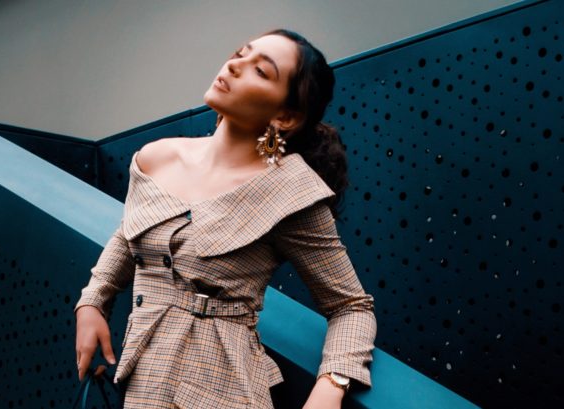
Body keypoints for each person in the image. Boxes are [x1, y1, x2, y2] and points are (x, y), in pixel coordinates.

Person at [74, 28, 377, 408]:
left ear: (284, 116)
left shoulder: (291, 191)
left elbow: (351, 307)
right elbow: (130, 232)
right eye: (239, 54)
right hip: (143, 383)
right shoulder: (156, 158)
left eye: (260, 70)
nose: (234, 65)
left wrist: (330, 388)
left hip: (228, 392)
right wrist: (92, 302)